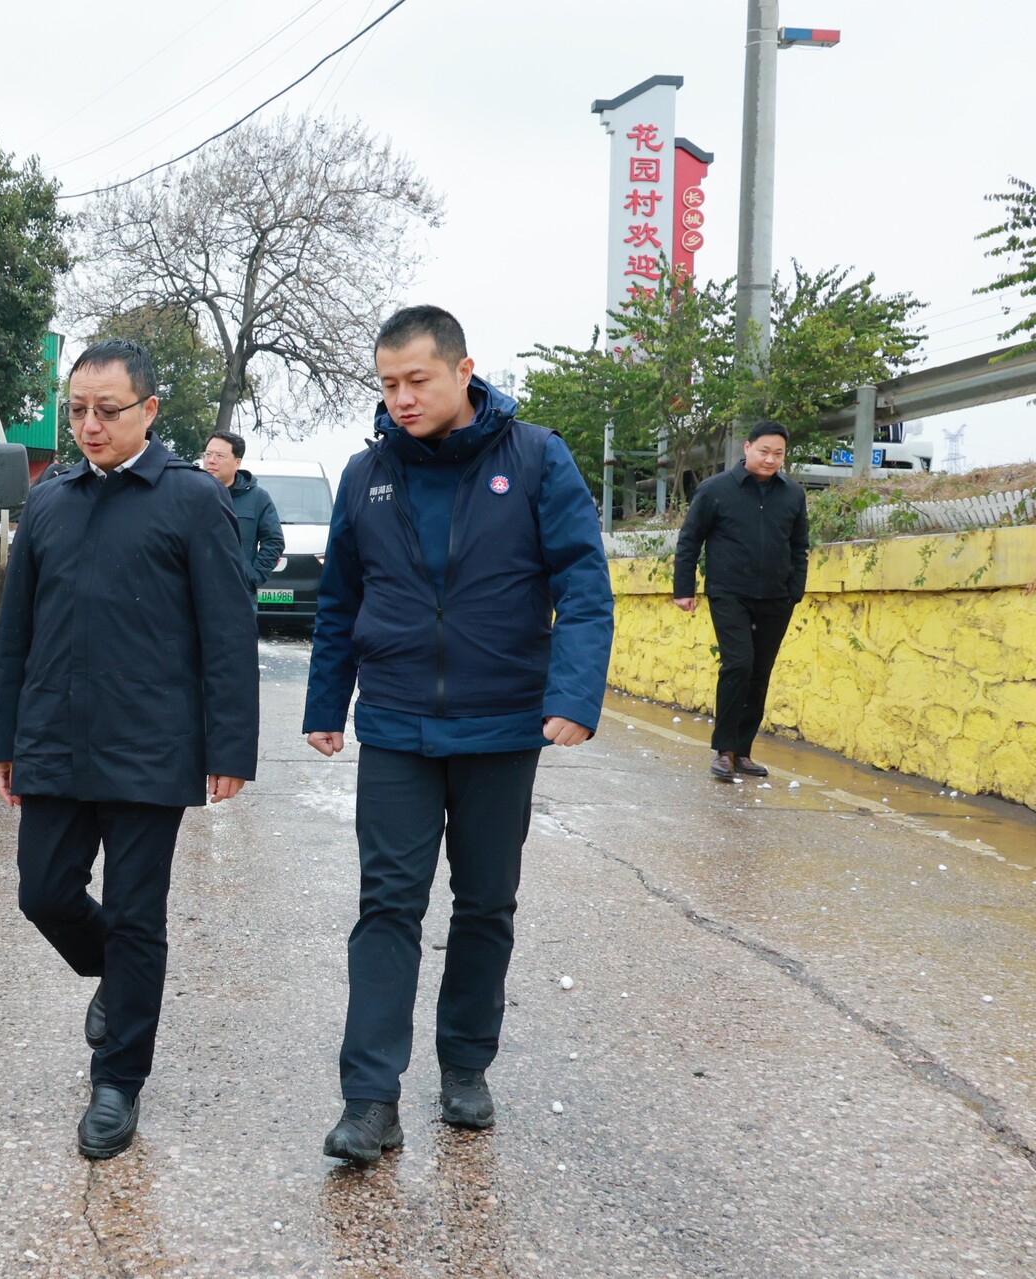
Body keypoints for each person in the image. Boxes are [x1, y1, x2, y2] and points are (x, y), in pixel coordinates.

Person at [302, 305, 613, 1163]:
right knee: (387, 907)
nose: (401, 398)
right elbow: (340, 601)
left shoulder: (539, 458)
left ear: (463, 370)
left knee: (484, 904)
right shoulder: (366, 475)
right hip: (398, 725)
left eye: (418, 381)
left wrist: (574, 693)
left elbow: (583, 584)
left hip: (502, 724)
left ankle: (466, 1064)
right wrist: (327, 704)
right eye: (388, 384)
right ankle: (370, 1100)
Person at [0, 338, 260, 1161]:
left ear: (149, 410)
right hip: (56, 740)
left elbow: (227, 632)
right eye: (77, 410)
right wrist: (3, 736)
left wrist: (230, 747)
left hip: (151, 745)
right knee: (44, 893)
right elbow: (17, 632)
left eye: (108, 410)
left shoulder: (189, 500)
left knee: (139, 915)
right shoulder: (52, 499)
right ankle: (117, 974)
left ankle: (118, 1081)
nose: (89, 425)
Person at [671, 420, 810, 782]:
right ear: (747, 448)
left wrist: (796, 589)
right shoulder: (715, 490)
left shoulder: (793, 494)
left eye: (778, 453)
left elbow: (799, 547)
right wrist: (684, 588)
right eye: (764, 451)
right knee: (738, 665)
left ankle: (743, 752)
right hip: (729, 593)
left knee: (760, 673)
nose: (770, 459)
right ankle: (724, 750)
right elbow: (690, 540)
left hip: (776, 598)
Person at [200, 431, 286, 607]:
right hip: (194, 593)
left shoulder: (257, 498)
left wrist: (252, 577)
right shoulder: (190, 494)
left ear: (237, 462)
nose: (211, 460)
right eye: (208, 454)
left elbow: (274, 541)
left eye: (219, 455)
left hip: (238, 596)